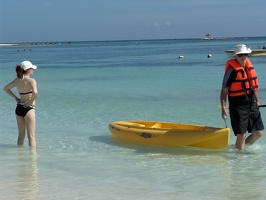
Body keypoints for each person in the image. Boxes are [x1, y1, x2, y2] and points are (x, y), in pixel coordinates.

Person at [220, 44, 264, 150]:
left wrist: (257, 100)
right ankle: (240, 158)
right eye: (240, 55)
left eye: (245, 54)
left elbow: (252, 87)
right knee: (241, 135)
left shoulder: (249, 68)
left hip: (251, 103)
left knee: (258, 133)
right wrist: (223, 108)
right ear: (235, 56)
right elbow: (223, 91)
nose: (243, 57)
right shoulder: (231, 72)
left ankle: (239, 149)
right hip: (237, 106)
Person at [3, 61, 38, 147]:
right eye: (32, 68)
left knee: (21, 135)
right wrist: (30, 102)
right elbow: (35, 93)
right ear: (28, 70)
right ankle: (33, 159)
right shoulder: (31, 80)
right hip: (28, 108)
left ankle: (20, 157)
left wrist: (16, 98)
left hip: (19, 108)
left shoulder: (17, 80)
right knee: (31, 136)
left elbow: (5, 88)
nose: (33, 70)